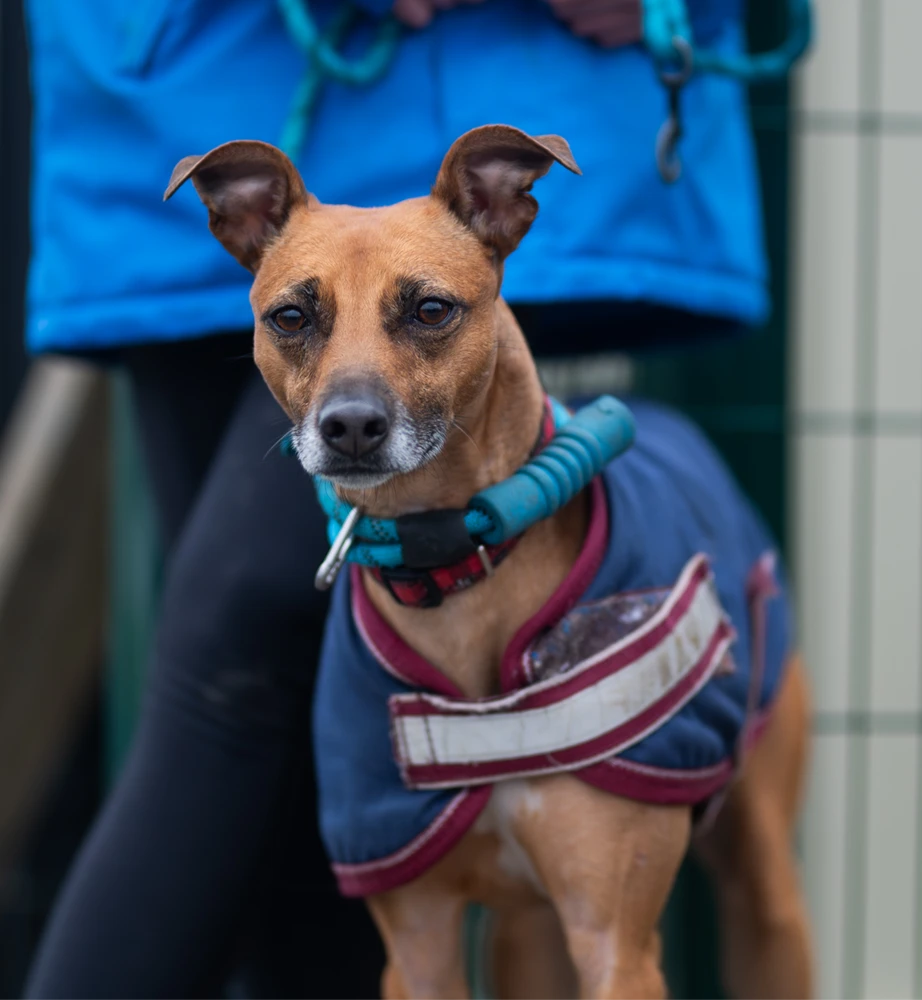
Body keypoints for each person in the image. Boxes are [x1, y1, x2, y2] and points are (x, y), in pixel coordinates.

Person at [22, 0, 768, 996]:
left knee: (230, 677)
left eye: (423, 315)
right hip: (174, 85)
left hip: (486, 72)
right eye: (295, 321)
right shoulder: (248, 246)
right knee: (276, 738)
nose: (352, 398)